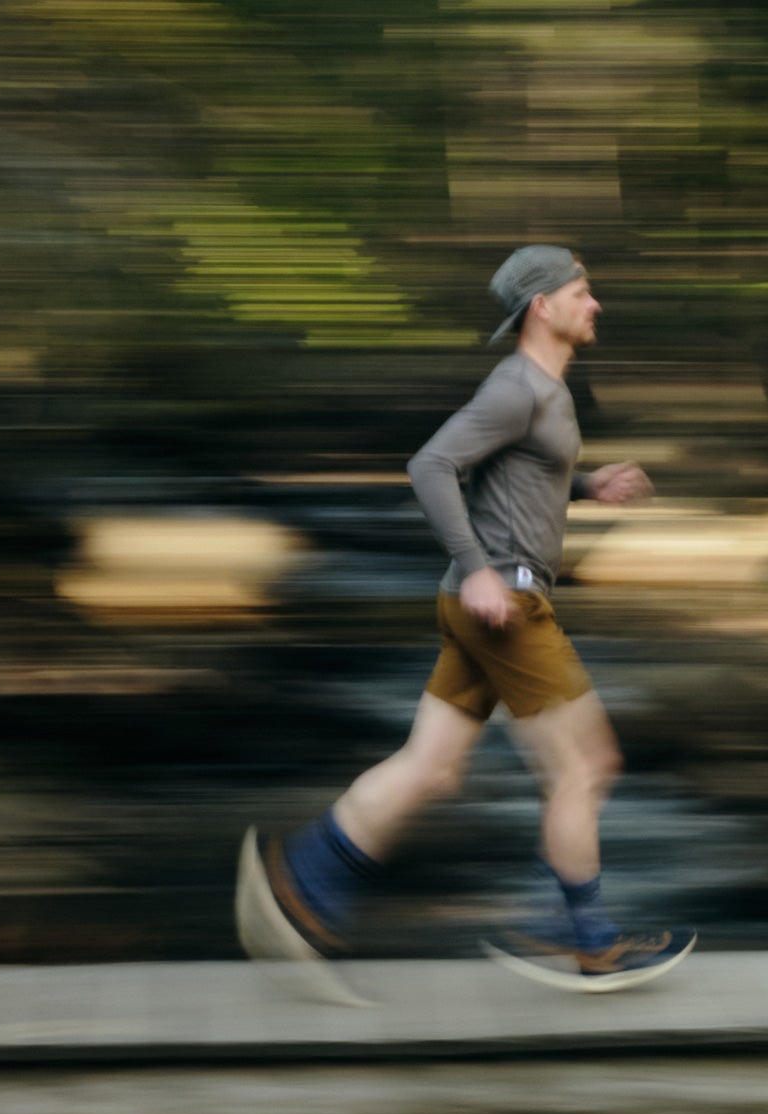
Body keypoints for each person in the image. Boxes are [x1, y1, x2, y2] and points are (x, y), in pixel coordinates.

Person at [236, 245, 695, 997]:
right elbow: (432, 466)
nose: (597, 304)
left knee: (433, 768)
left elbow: (516, 473)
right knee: (588, 766)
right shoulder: (518, 386)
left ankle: (303, 884)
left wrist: (583, 484)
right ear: (542, 307)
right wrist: (482, 569)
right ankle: (582, 937)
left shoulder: (541, 391)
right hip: (505, 605)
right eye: (584, 292)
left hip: (479, 603)